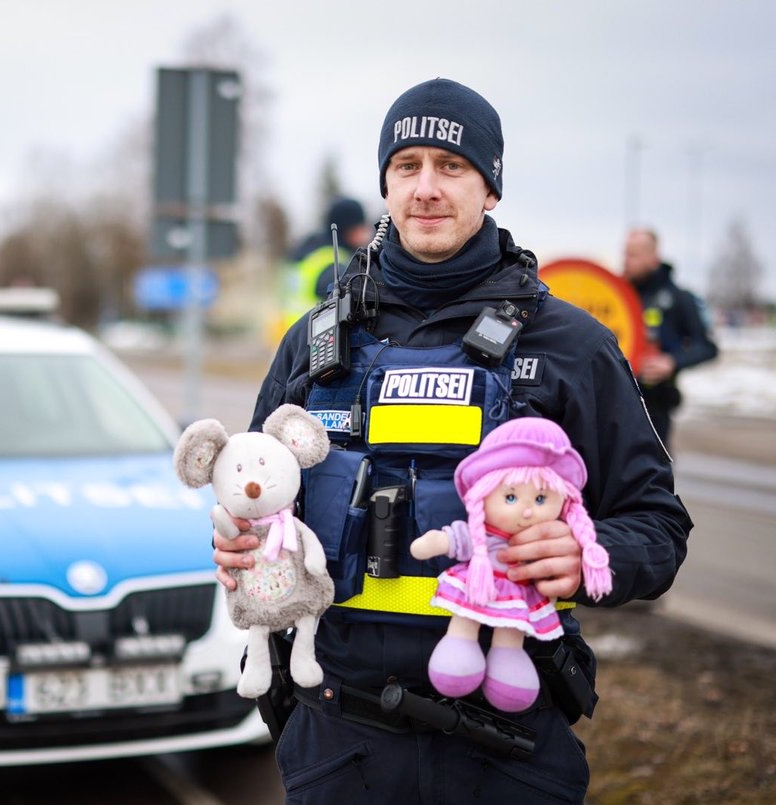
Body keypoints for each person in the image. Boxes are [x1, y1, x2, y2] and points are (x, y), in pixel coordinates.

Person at [213, 78, 692, 803]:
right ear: (385, 184)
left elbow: (658, 526)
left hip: (508, 744)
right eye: (407, 166)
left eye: (452, 166)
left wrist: (589, 554)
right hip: (339, 744)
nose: (427, 188)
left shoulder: (571, 346)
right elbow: (253, 500)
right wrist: (238, 544)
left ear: (490, 187)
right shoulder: (314, 345)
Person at [622, 228, 718, 445]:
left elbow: (707, 347)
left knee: (652, 463)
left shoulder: (680, 298)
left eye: (633, 255)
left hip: (656, 402)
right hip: (616, 399)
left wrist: (671, 362)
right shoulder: (617, 295)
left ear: (653, 258)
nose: (626, 261)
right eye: (625, 254)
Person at [279, 197, 371, 332]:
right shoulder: (333, 265)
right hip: (315, 339)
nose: (366, 233)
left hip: (292, 337)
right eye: (361, 227)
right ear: (349, 230)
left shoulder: (307, 253)